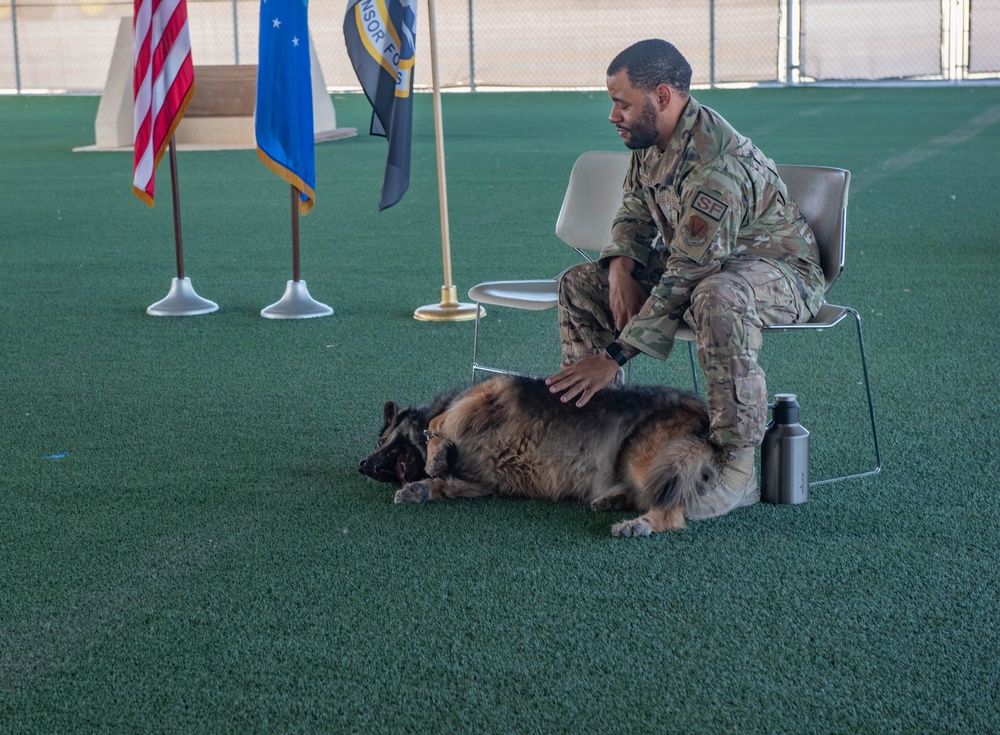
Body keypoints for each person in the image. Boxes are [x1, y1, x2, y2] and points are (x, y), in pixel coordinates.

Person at [545, 39, 826, 520]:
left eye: (621, 103)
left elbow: (688, 277)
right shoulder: (652, 138)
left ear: (661, 95)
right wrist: (619, 268)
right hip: (702, 265)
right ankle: (606, 445)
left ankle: (736, 470)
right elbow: (634, 209)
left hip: (779, 272)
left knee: (717, 298)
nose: (614, 115)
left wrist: (613, 357)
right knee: (579, 282)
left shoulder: (716, 167)